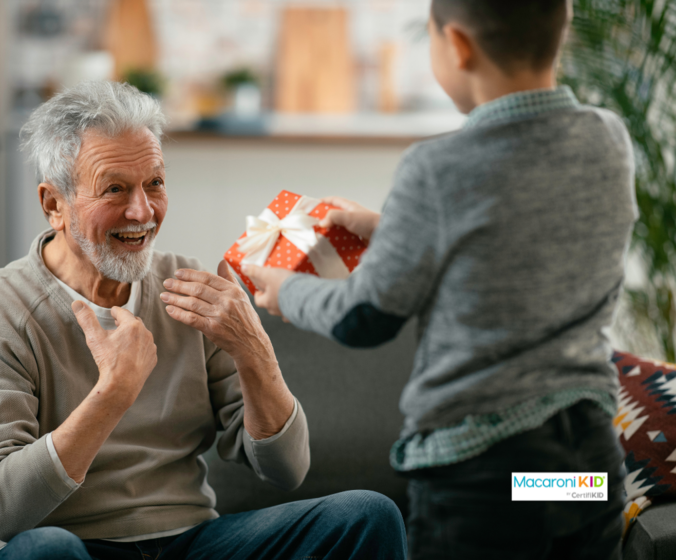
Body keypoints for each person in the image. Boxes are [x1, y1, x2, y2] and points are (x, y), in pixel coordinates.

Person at [0, 81, 407, 560]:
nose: (142, 211)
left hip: (187, 543)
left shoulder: (190, 289)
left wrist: (255, 351)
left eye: (155, 183)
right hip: (65, 543)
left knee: (367, 514)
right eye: (115, 188)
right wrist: (114, 393)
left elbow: (287, 471)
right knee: (47, 552)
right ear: (54, 204)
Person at [246, 1, 638, 558]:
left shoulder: (436, 167)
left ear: (456, 45)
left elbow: (366, 316)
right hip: (586, 464)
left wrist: (287, 291)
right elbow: (524, 242)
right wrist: (393, 231)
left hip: (486, 475)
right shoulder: (608, 140)